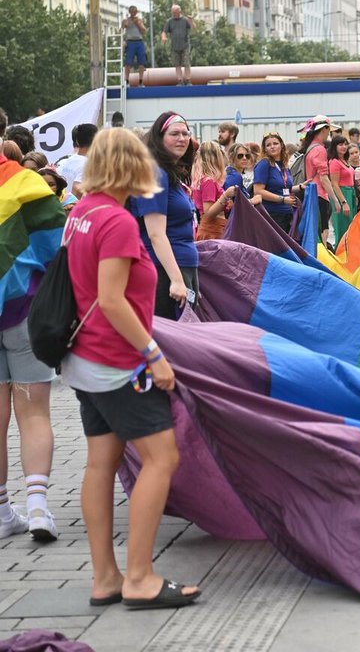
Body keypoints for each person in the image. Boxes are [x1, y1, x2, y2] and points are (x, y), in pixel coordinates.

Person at [62, 127, 201, 610]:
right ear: (131, 165)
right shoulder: (118, 221)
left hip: (84, 360)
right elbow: (111, 300)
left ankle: (106, 577)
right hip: (117, 360)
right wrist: (154, 355)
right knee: (161, 459)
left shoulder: (82, 212)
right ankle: (140, 577)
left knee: (100, 464)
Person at [0, 153, 63, 543]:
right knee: (34, 413)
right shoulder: (26, 182)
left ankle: (3, 511)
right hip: (24, 311)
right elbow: (56, 247)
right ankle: (38, 506)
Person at [130, 112, 199, 319]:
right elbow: (156, 234)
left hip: (181, 265)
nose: (182, 138)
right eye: (174, 134)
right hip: (164, 271)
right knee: (173, 340)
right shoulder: (155, 173)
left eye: (186, 133)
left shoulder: (170, 174)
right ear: (159, 138)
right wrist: (177, 280)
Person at [298, 116, 343, 241]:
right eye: (329, 129)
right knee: (323, 232)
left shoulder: (310, 147)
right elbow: (323, 178)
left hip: (311, 193)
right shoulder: (319, 149)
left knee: (315, 231)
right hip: (320, 195)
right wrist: (335, 200)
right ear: (324, 129)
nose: (330, 132)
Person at [253, 132, 298, 232]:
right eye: (268, 145)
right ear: (265, 149)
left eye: (275, 143)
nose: (272, 147)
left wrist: (300, 187)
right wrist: (282, 199)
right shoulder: (264, 164)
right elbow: (258, 191)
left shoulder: (284, 165)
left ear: (281, 145)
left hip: (287, 214)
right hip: (272, 214)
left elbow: (285, 188)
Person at [193, 141, 236, 242]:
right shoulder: (208, 181)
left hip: (213, 229)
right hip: (212, 231)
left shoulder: (203, 180)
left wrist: (225, 203)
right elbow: (208, 212)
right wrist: (225, 196)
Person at [327, 134, 356, 245]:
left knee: (350, 227)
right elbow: (334, 184)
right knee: (342, 228)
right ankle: (340, 253)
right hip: (342, 194)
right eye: (340, 144)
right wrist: (343, 202)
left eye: (345, 144)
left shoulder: (344, 160)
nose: (344, 147)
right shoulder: (334, 162)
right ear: (334, 146)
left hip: (350, 193)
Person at [55, 122, 97, 199]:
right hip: (72, 208)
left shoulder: (69, 160)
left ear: (77, 141)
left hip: (63, 204)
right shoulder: (88, 164)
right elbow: (77, 189)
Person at [160, 5, 195, 86]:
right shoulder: (169, 21)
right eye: (172, 13)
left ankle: (188, 80)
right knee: (177, 64)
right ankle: (180, 80)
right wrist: (164, 37)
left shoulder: (185, 20)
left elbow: (193, 28)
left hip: (185, 45)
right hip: (174, 46)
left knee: (187, 63)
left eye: (175, 13)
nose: (173, 14)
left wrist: (191, 21)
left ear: (179, 12)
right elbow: (164, 31)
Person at [121, 6, 148, 87]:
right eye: (131, 11)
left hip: (139, 41)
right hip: (130, 42)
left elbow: (144, 31)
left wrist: (138, 23)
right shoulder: (126, 20)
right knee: (128, 62)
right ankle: (127, 80)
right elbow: (121, 30)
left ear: (136, 12)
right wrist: (123, 25)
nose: (133, 13)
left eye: (134, 11)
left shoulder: (140, 20)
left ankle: (141, 81)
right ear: (129, 12)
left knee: (142, 62)